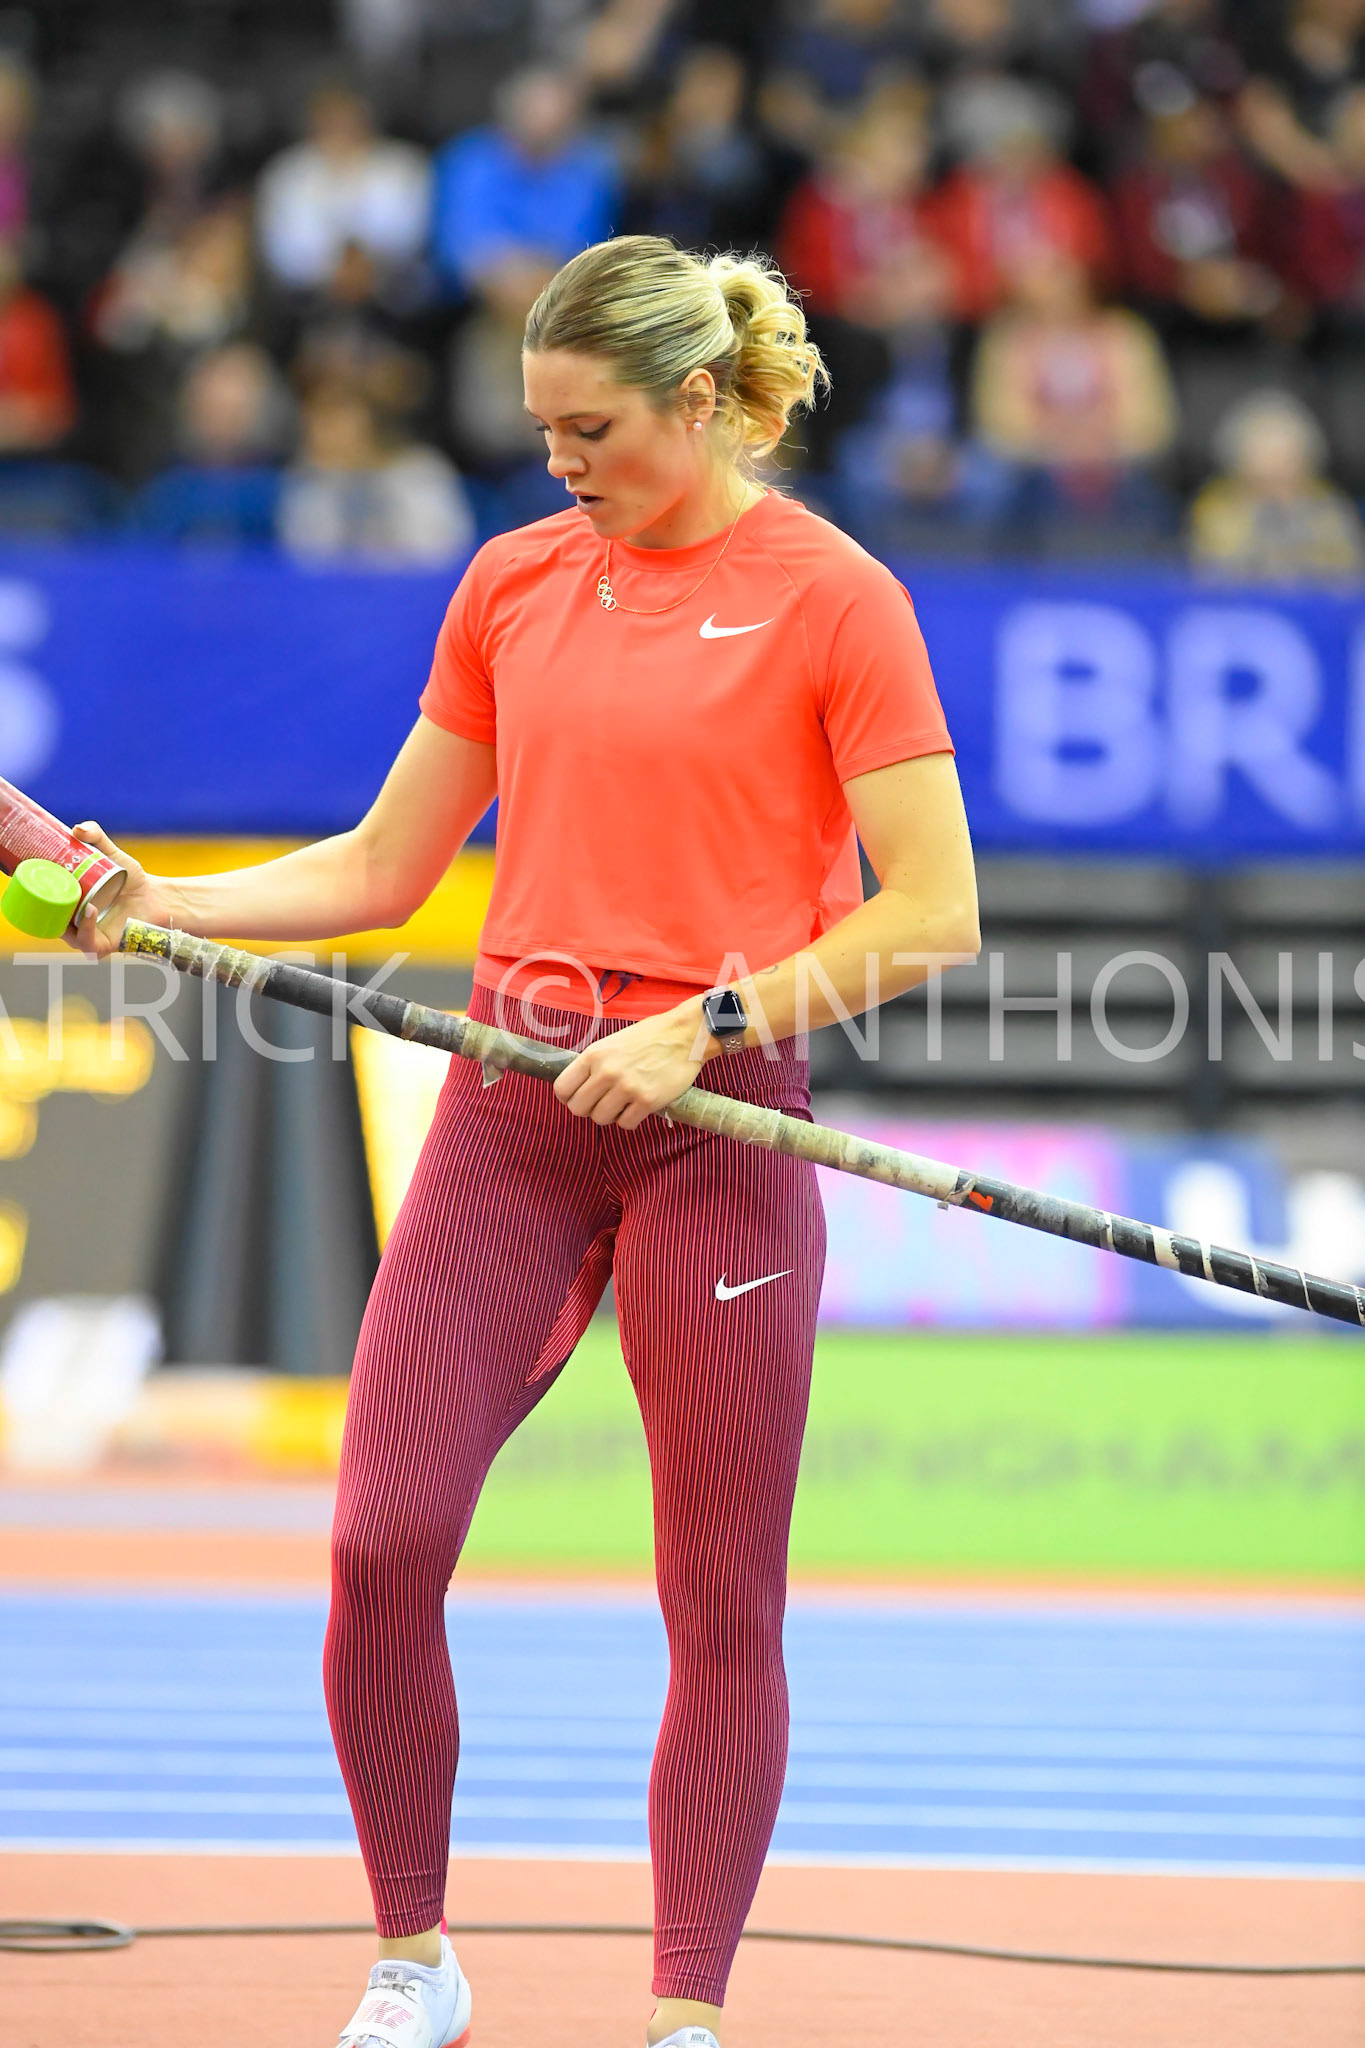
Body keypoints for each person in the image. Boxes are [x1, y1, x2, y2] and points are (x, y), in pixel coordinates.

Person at [69, 233, 978, 2048]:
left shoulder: (836, 596)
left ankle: (685, 2008)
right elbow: (383, 868)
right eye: (541, 428)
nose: (560, 461)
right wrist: (150, 898)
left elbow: (934, 916)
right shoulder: (510, 581)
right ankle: (416, 1958)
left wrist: (707, 1020)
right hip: (513, 1101)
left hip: (719, 1118)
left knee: (719, 1593)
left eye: (594, 429)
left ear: (699, 400)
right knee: (382, 1542)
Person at [1187, 385, 1365, 580]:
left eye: (1287, 455)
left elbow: (1347, 564)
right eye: (1266, 455)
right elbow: (1214, 566)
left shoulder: (1328, 505)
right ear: (1239, 460)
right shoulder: (1217, 507)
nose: (1277, 467)